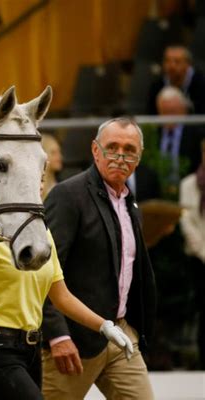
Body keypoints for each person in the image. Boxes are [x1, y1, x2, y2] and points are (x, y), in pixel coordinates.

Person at [0, 216, 134, 398]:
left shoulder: (43, 234)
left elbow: (62, 297)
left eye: (39, 177)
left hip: (32, 351)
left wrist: (104, 325)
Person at [42, 117, 157, 399]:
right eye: (112, 147)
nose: (120, 156)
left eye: (129, 150)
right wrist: (57, 335)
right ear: (95, 150)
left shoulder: (131, 204)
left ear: (138, 158)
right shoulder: (68, 195)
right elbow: (41, 271)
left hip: (120, 335)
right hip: (72, 339)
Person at [179, 139, 205, 369]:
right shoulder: (188, 184)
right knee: (200, 308)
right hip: (197, 259)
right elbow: (186, 221)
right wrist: (203, 252)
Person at [155, 86, 205, 194]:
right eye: (164, 112)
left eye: (172, 112)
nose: (168, 117)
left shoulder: (197, 134)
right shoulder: (153, 132)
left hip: (188, 188)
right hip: (159, 190)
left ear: (183, 111)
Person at [147, 45, 205, 115]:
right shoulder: (157, 86)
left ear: (188, 64)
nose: (172, 66)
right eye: (167, 61)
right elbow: (151, 115)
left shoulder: (201, 84)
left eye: (177, 61)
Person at [41, 134, 63, 200]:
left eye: (59, 152)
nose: (60, 157)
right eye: (53, 153)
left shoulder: (60, 186)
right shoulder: (36, 189)